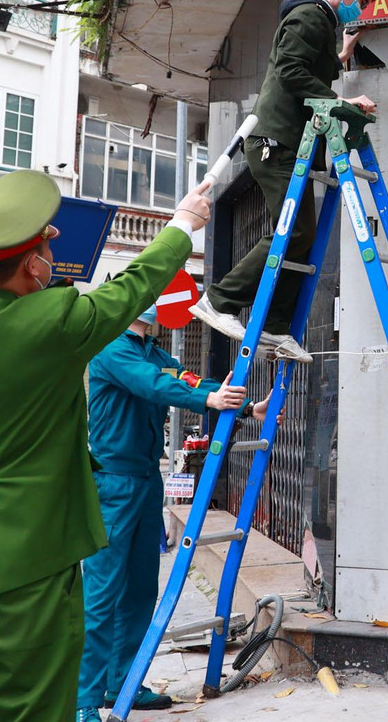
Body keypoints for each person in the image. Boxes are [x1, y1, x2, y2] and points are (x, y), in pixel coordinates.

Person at [0, 169, 213, 722]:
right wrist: (182, 225)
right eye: (47, 250)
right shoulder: (55, 321)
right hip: (28, 571)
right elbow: (133, 287)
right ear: (33, 265)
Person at [192, 0, 381, 362]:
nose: (360, 10)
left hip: (288, 145)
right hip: (274, 142)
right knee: (293, 232)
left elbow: (312, 67)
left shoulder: (320, 21)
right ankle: (219, 300)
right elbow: (291, 72)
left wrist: (345, 50)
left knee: (301, 236)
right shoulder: (309, 16)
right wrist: (341, 100)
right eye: (362, 2)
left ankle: (277, 328)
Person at [75, 304, 246, 721]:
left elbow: (184, 379)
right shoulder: (112, 348)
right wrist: (207, 398)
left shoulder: (152, 351)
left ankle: (123, 684)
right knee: (101, 594)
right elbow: (151, 384)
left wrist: (243, 404)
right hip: (112, 482)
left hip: (147, 480)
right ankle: (82, 700)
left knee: (139, 590)